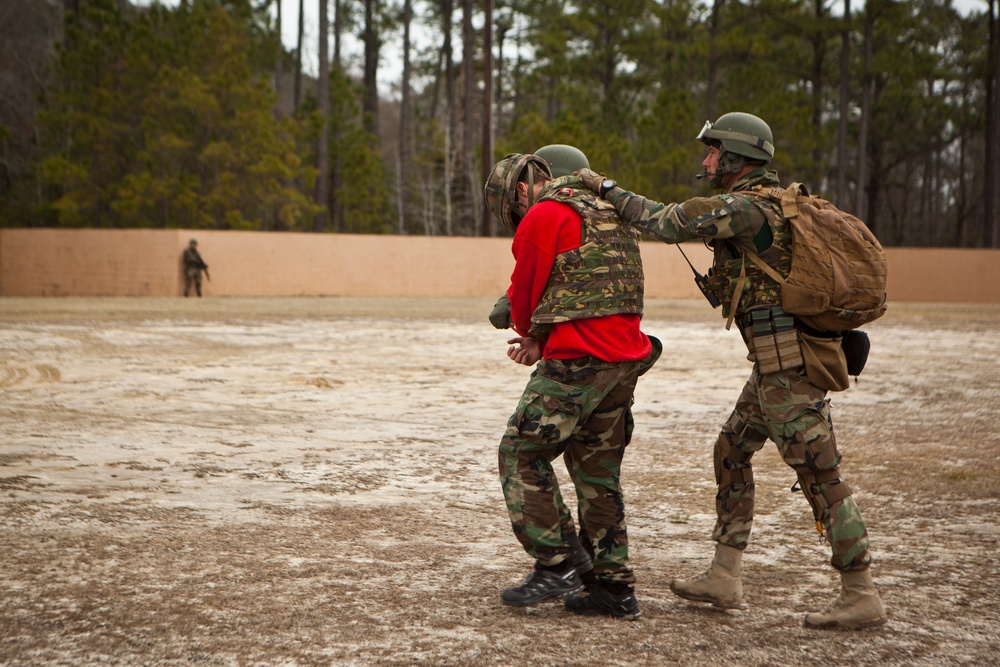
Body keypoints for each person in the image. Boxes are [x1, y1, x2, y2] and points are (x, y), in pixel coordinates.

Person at [574, 112, 888, 629]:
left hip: (788, 370)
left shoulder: (745, 209)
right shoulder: (764, 207)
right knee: (732, 450)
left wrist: (603, 187)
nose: (706, 161)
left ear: (738, 159)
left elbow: (666, 221)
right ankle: (725, 575)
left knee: (819, 475)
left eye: (714, 152)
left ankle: (860, 591)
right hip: (772, 368)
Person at [484, 152, 655, 620]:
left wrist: (529, 330)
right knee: (598, 473)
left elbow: (523, 300)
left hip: (579, 359)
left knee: (520, 453)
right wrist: (546, 339)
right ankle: (613, 588)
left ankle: (557, 561)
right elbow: (594, 290)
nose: (519, 220)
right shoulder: (610, 210)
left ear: (521, 190)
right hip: (623, 359)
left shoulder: (546, 213)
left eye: (515, 212)